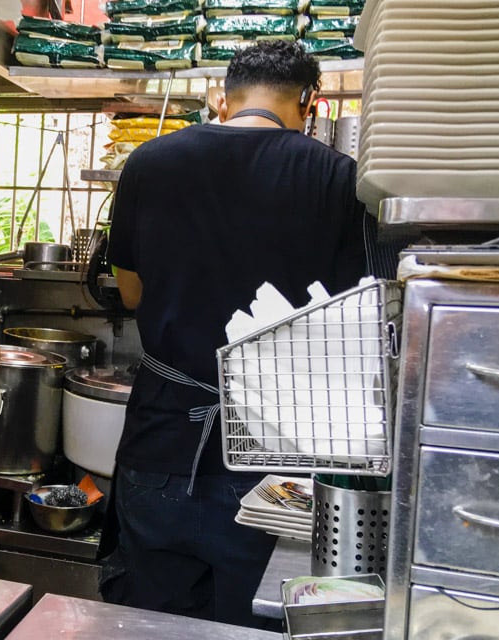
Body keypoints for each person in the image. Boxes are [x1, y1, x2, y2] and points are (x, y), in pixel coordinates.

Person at [99, 40, 371, 627]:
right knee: (260, 619)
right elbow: (354, 318)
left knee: (153, 622)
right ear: (309, 102)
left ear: (223, 97)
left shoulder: (150, 162)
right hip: (281, 461)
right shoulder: (337, 177)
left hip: (165, 438)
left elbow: (131, 293)